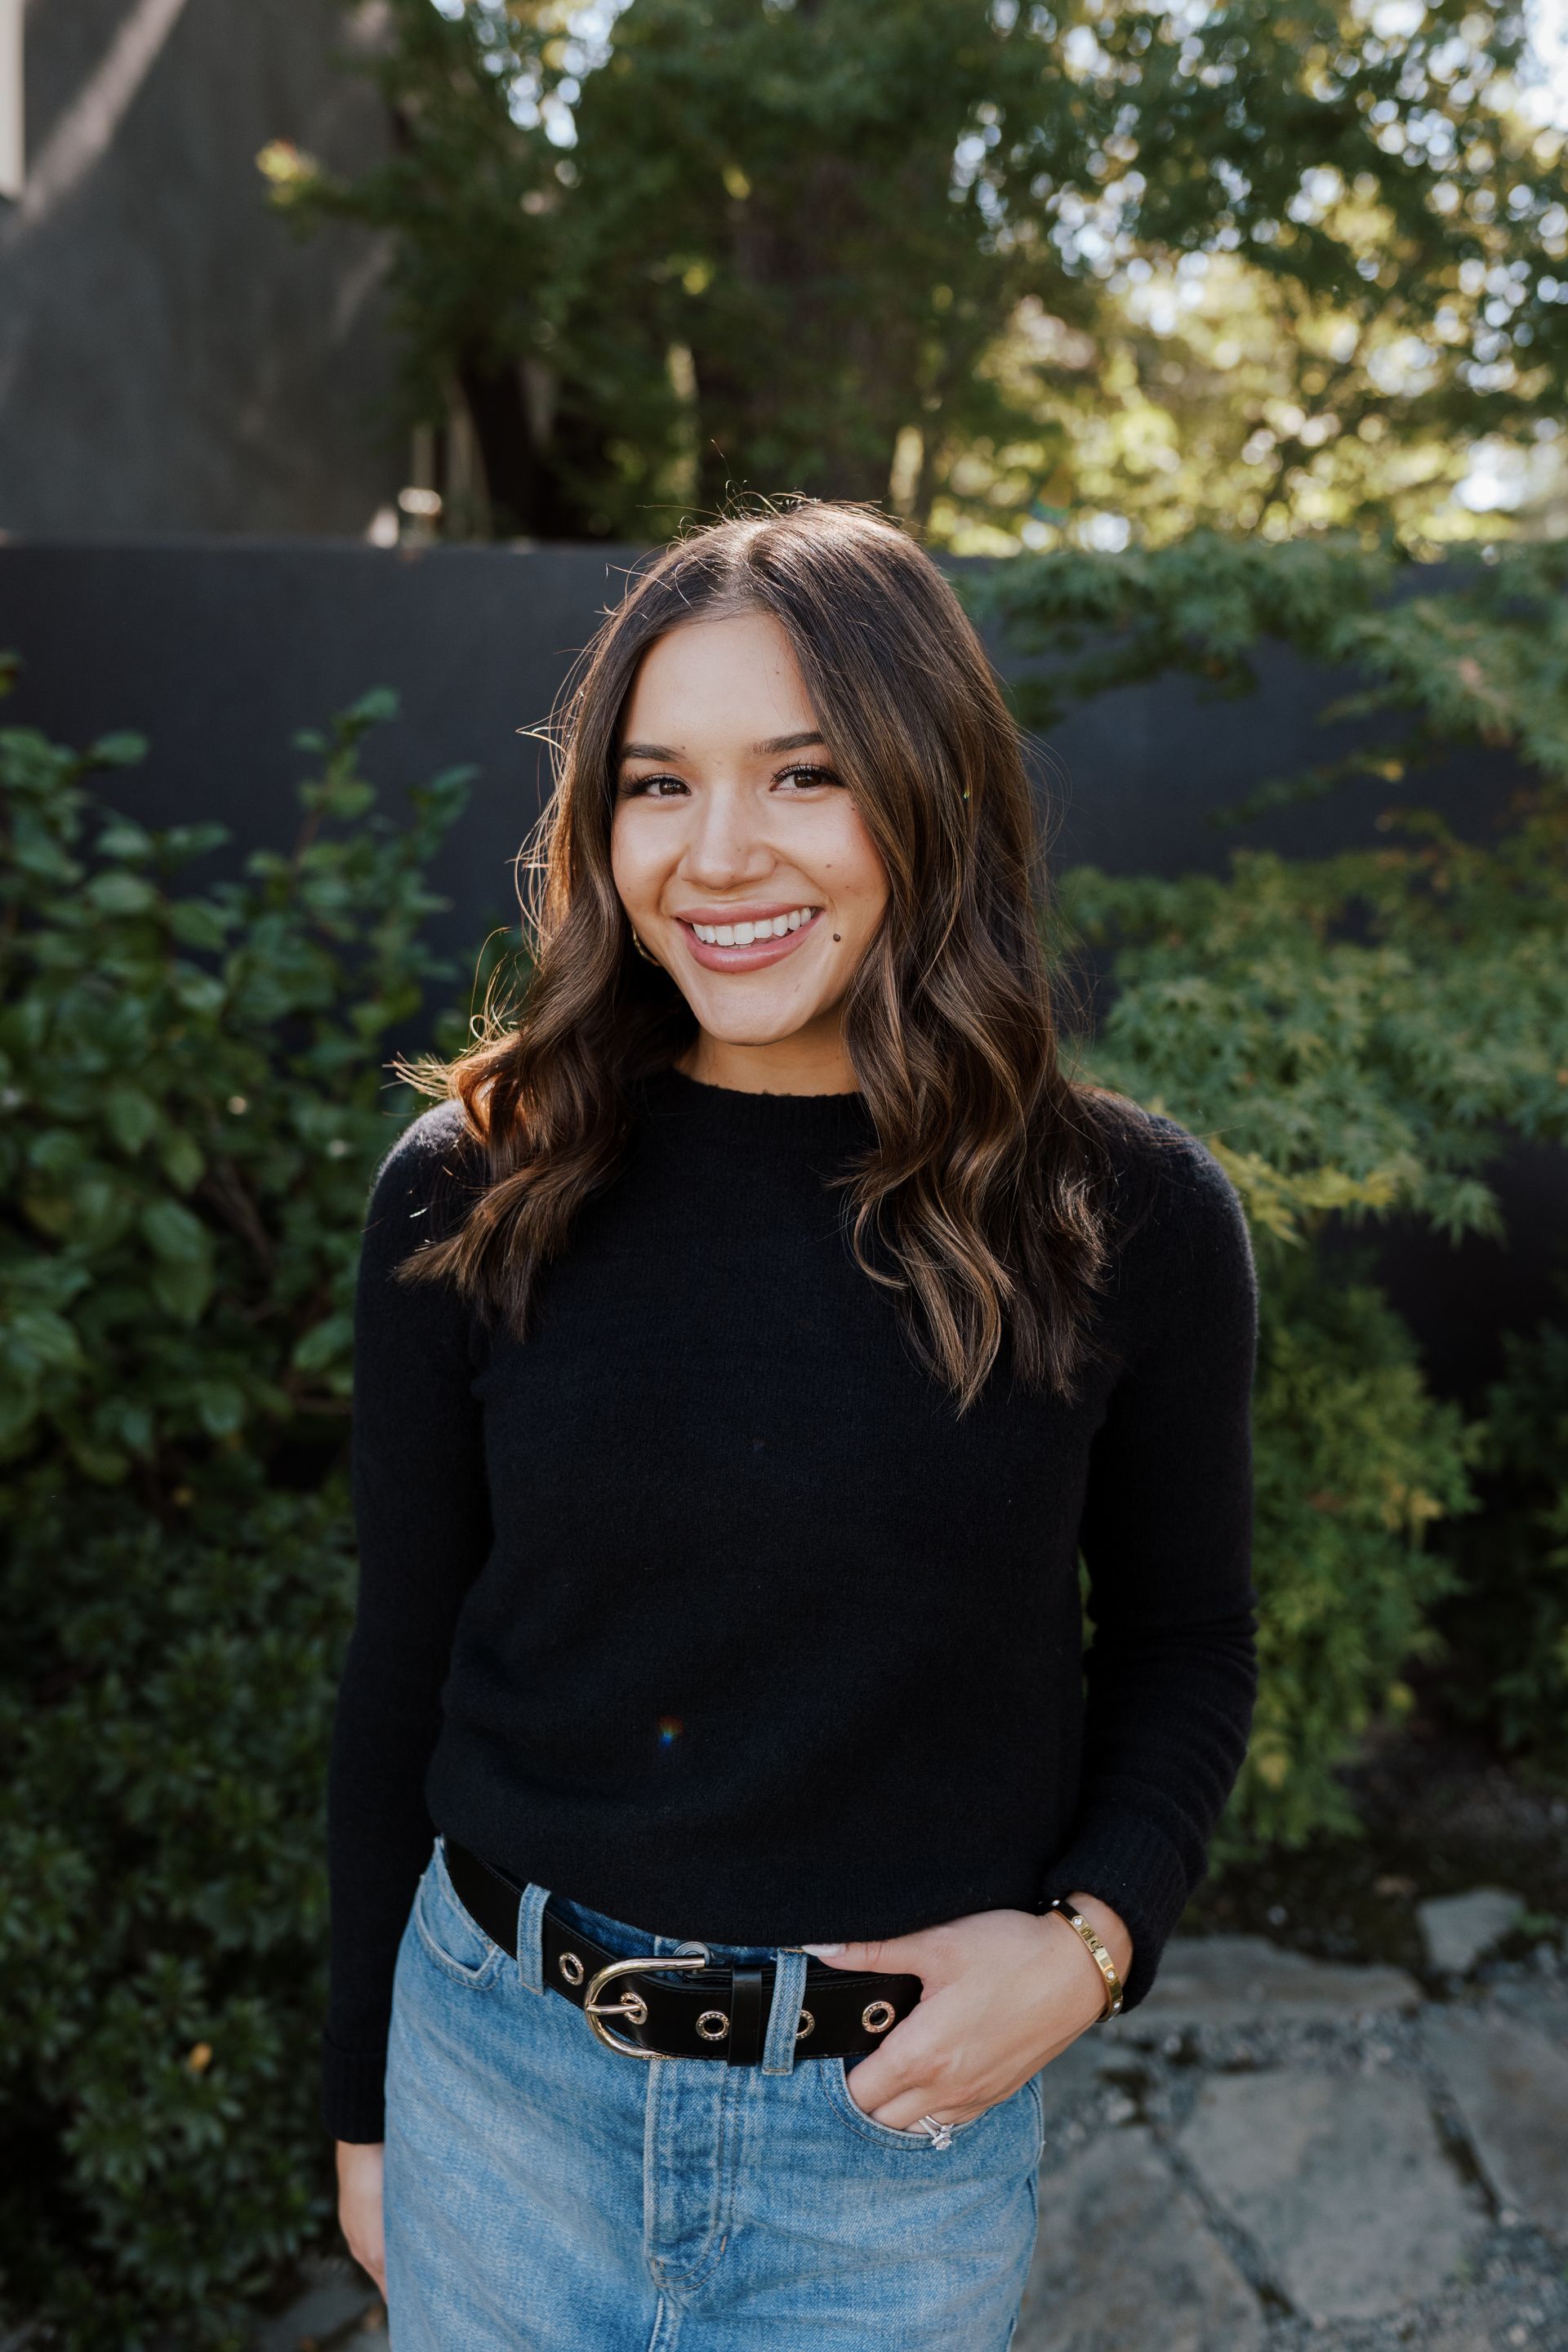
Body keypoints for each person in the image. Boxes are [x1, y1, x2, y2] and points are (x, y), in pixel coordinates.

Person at [323, 501, 1258, 2350]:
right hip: (495, 2091)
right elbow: (399, 1672)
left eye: (805, 776)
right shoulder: (477, 1188)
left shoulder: (1124, 1219)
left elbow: (1185, 1647)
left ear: (930, 796)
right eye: (658, 785)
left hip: (888, 2148)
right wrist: (362, 2102)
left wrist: (1091, 1948)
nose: (718, 854)